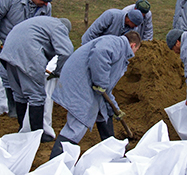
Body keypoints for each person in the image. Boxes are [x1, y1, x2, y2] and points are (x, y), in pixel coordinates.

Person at [50, 31, 142, 159]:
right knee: (77, 125)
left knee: (104, 113)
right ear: (132, 45)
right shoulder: (115, 43)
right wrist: (101, 82)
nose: (133, 55)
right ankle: (54, 163)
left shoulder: (119, 49)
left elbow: (106, 90)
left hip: (88, 85)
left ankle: (113, 150)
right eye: (135, 51)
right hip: (80, 85)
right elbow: (100, 53)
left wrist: (115, 109)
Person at [0, 17, 74, 142]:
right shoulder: (59, 27)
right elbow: (66, 53)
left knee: (20, 94)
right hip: (27, 55)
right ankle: (37, 134)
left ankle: (23, 130)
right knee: (36, 96)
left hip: (8, 54)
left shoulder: (41, 23)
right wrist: (58, 72)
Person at [0, 0, 54, 117]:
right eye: (43, 1)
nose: (45, 4)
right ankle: (13, 106)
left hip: (29, 44)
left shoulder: (46, 7)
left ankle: (26, 104)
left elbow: (46, 26)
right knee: (7, 72)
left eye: (47, 2)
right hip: (7, 41)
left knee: (27, 71)